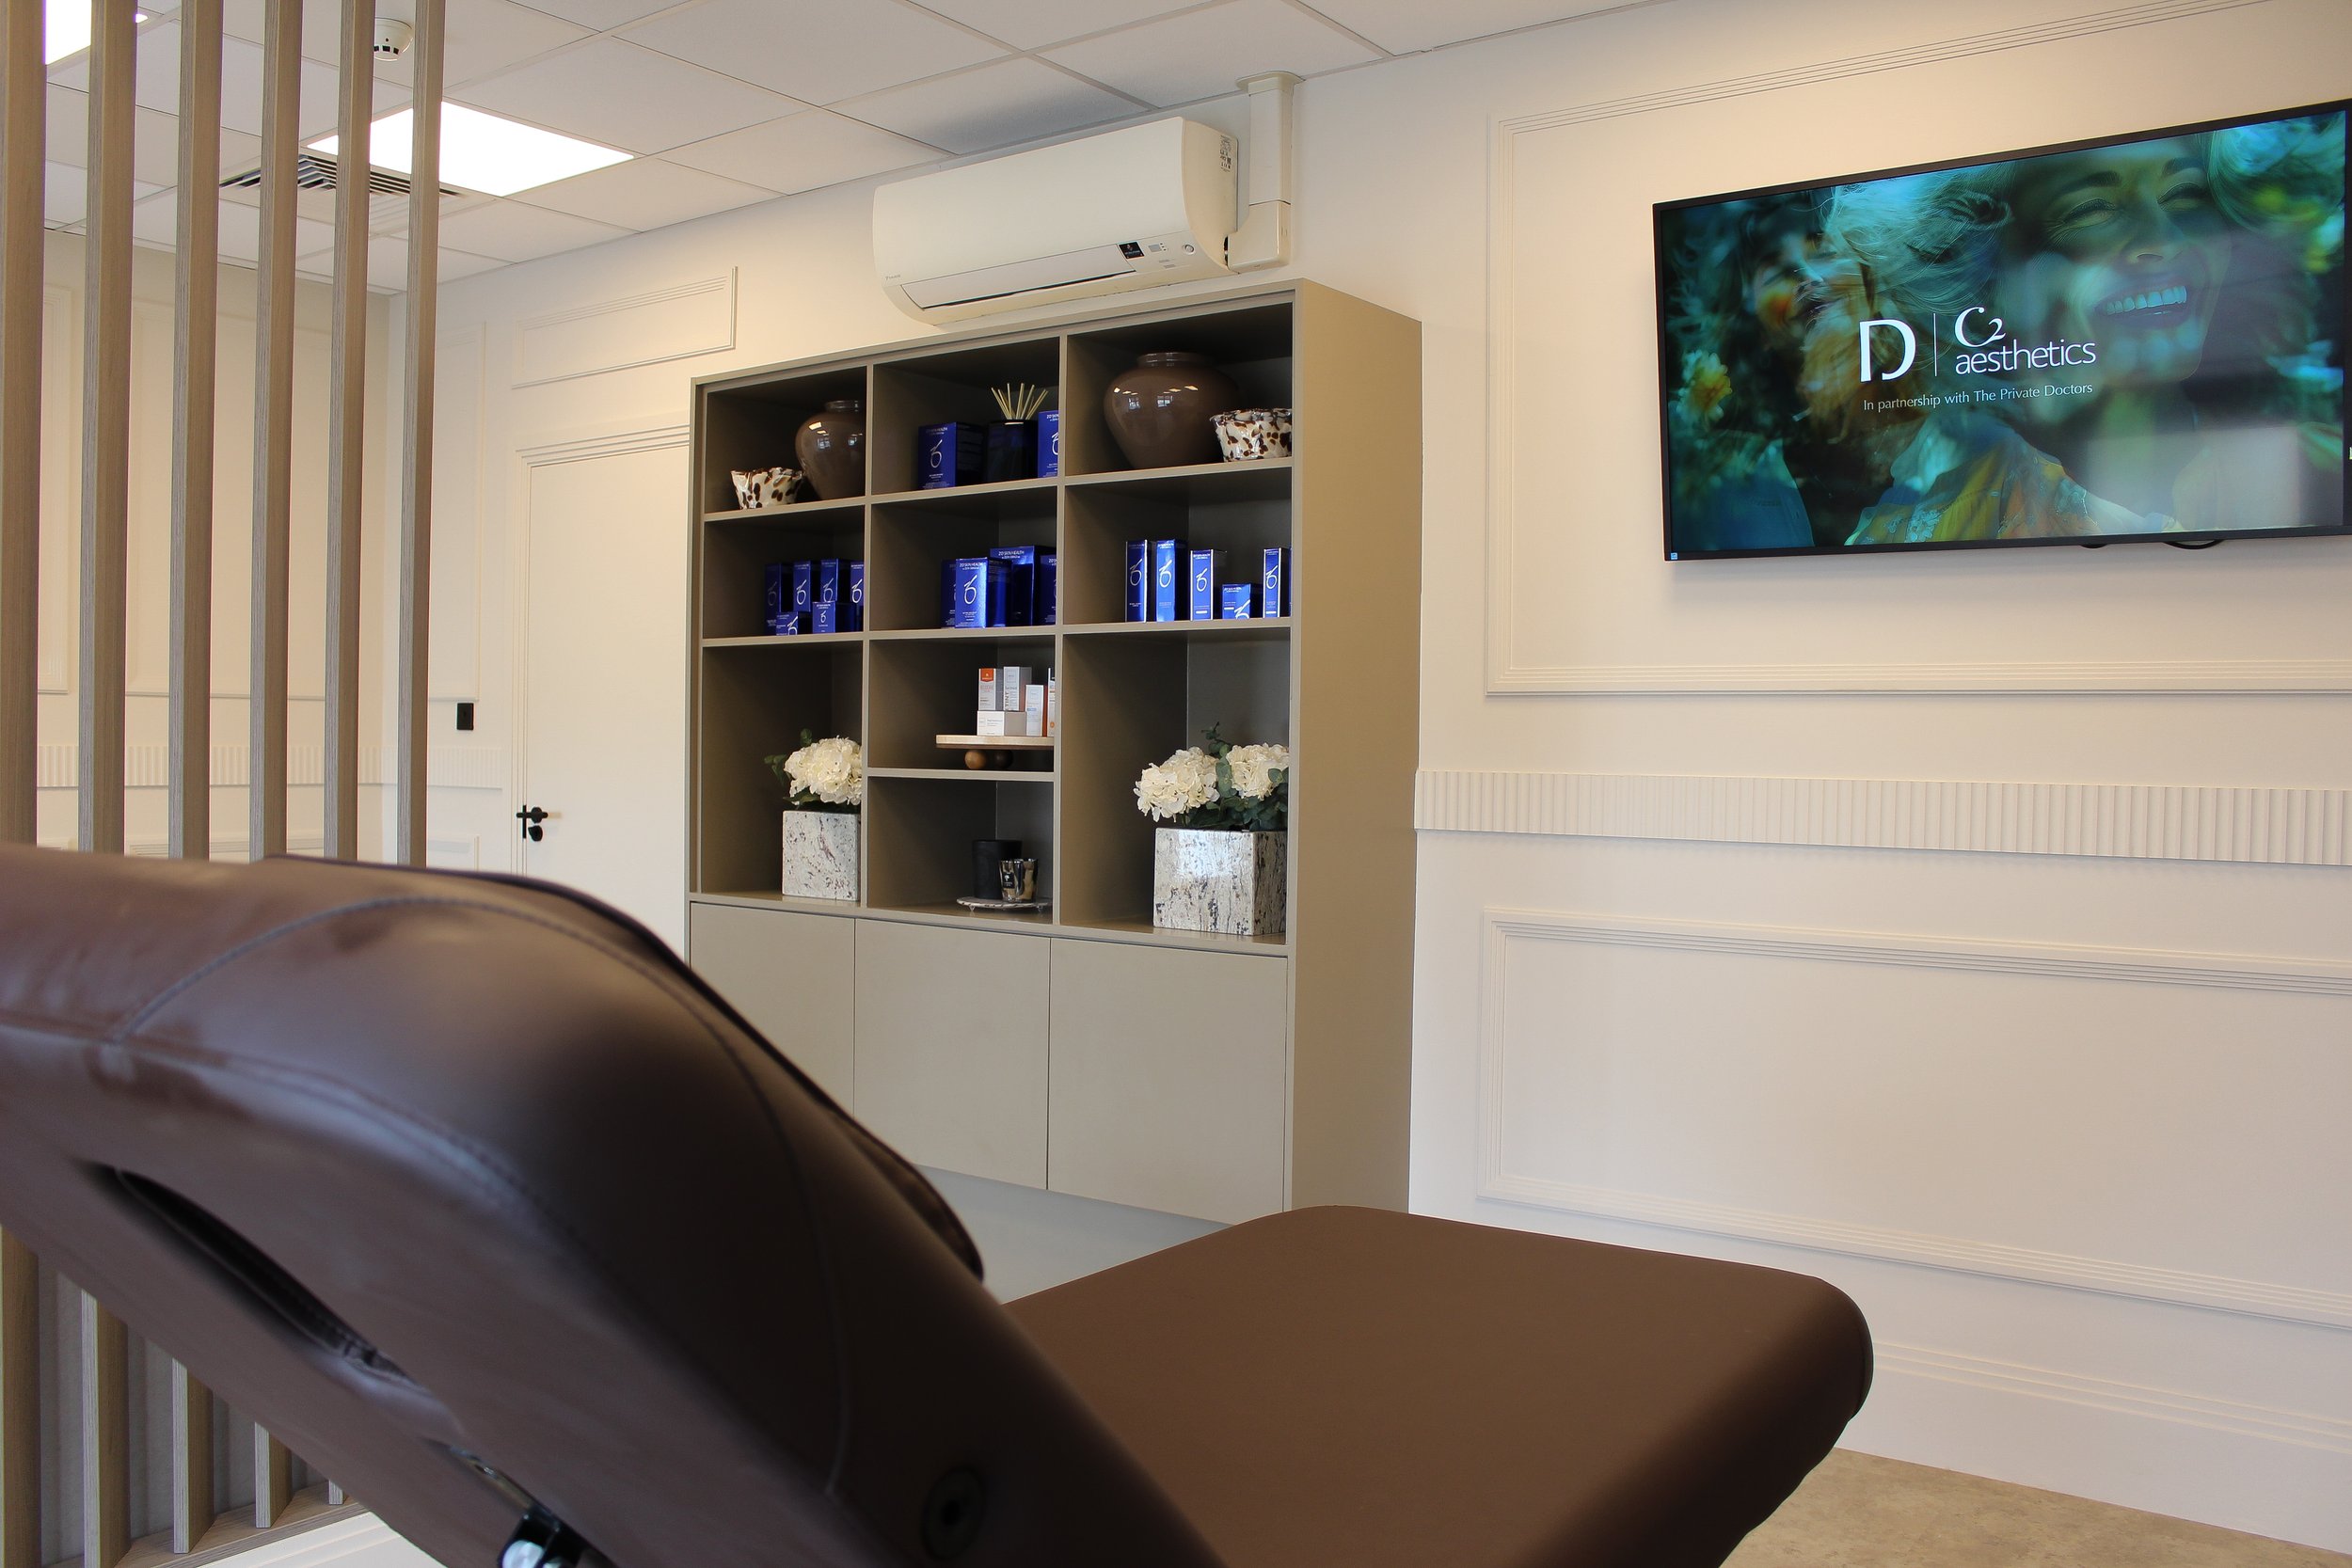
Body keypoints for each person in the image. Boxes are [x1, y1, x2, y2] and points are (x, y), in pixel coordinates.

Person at [1827, 114, 2344, 538]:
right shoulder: (1932, 530)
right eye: (2093, 210)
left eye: (2186, 195)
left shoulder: (2320, 475)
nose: (2163, 240)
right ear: (1989, 276)